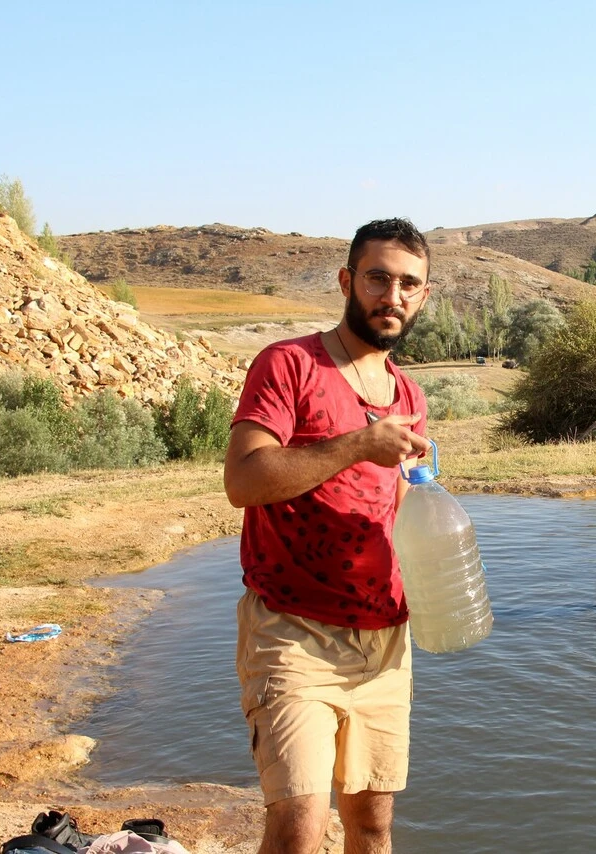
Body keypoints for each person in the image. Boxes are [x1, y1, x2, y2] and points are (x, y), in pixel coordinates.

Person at [224, 217, 434, 854]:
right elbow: (245, 479)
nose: (391, 296)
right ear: (347, 280)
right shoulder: (289, 365)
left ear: (422, 296)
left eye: (408, 285)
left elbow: (397, 504)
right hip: (293, 634)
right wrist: (358, 443)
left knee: (372, 827)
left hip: (383, 642)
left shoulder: (408, 393)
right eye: (377, 278)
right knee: (299, 829)